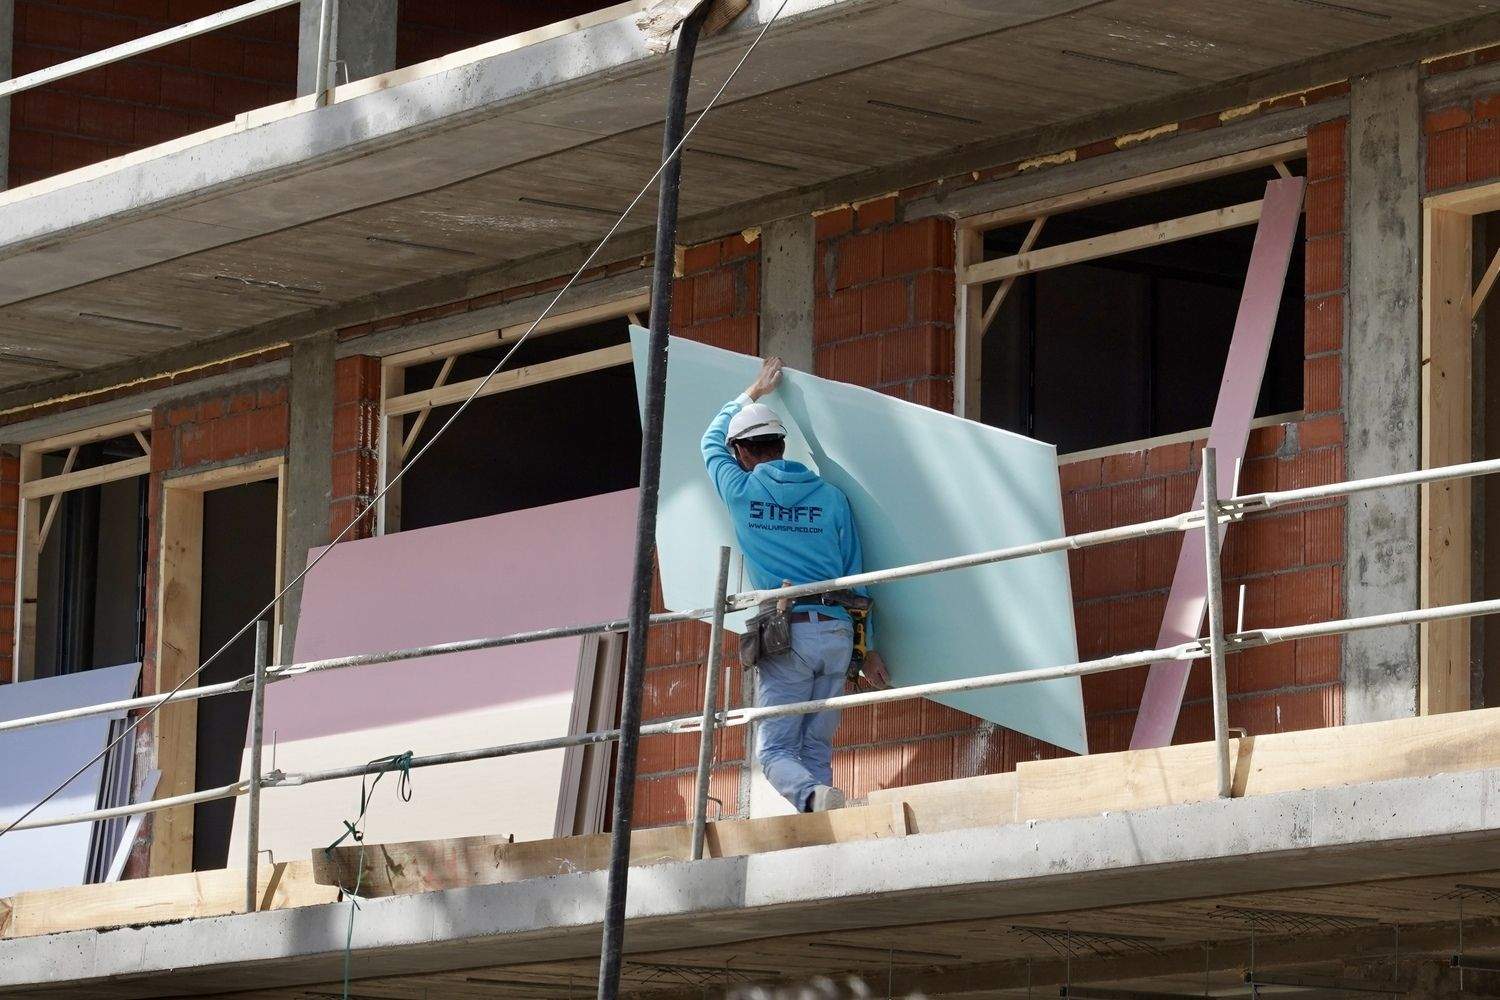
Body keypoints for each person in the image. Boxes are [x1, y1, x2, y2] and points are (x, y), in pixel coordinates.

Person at [701, 356, 890, 813]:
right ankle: (821, 817)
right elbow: (856, 577)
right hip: (838, 636)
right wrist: (868, 649)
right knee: (816, 749)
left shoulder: (742, 492)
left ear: (742, 454)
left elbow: (710, 441)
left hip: (789, 635)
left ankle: (808, 798)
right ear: (782, 447)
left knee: (774, 752)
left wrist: (754, 391)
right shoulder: (831, 497)